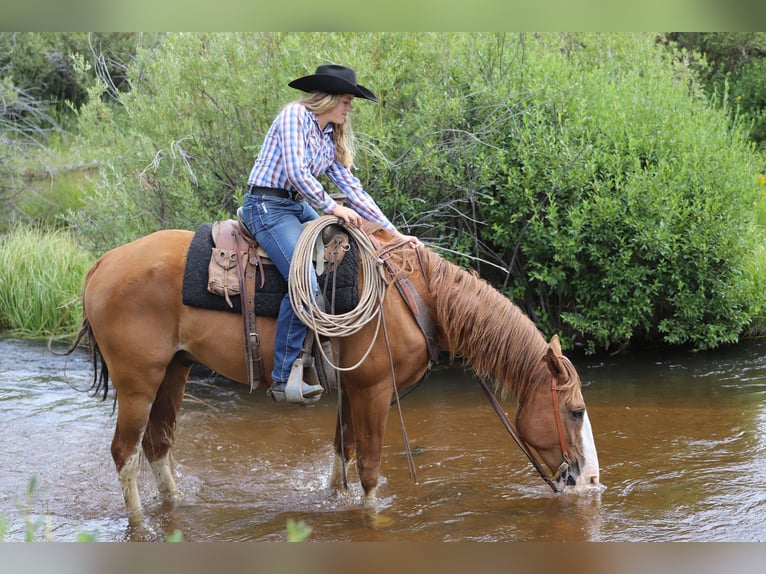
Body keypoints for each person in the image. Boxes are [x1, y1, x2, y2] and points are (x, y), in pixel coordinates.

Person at [240, 63, 420, 404]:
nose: (350, 108)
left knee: (349, 252)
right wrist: (333, 208)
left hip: (294, 206)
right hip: (266, 205)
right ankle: (282, 378)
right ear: (329, 98)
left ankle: (327, 351)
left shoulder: (327, 137)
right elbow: (295, 172)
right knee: (303, 281)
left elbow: (353, 190)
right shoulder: (294, 117)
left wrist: (393, 235)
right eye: (347, 100)